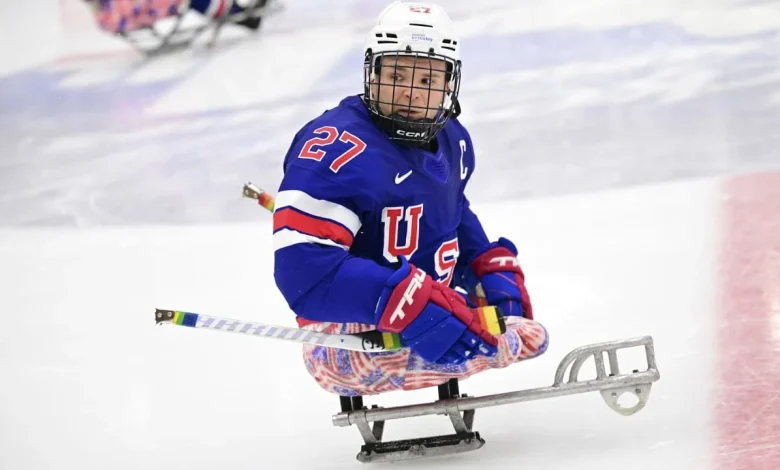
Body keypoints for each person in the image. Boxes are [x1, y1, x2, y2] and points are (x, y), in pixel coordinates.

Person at [273, 1, 548, 397]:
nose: (410, 93)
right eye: (397, 74)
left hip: (432, 302)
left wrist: (484, 264)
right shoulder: (337, 148)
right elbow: (304, 276)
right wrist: (403, 300)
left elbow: (449, 209)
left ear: (450, 84)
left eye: (427, 81)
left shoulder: (455, 139)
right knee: (525, 340)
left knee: (520, 329)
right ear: (373, 72)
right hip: (346, 342)